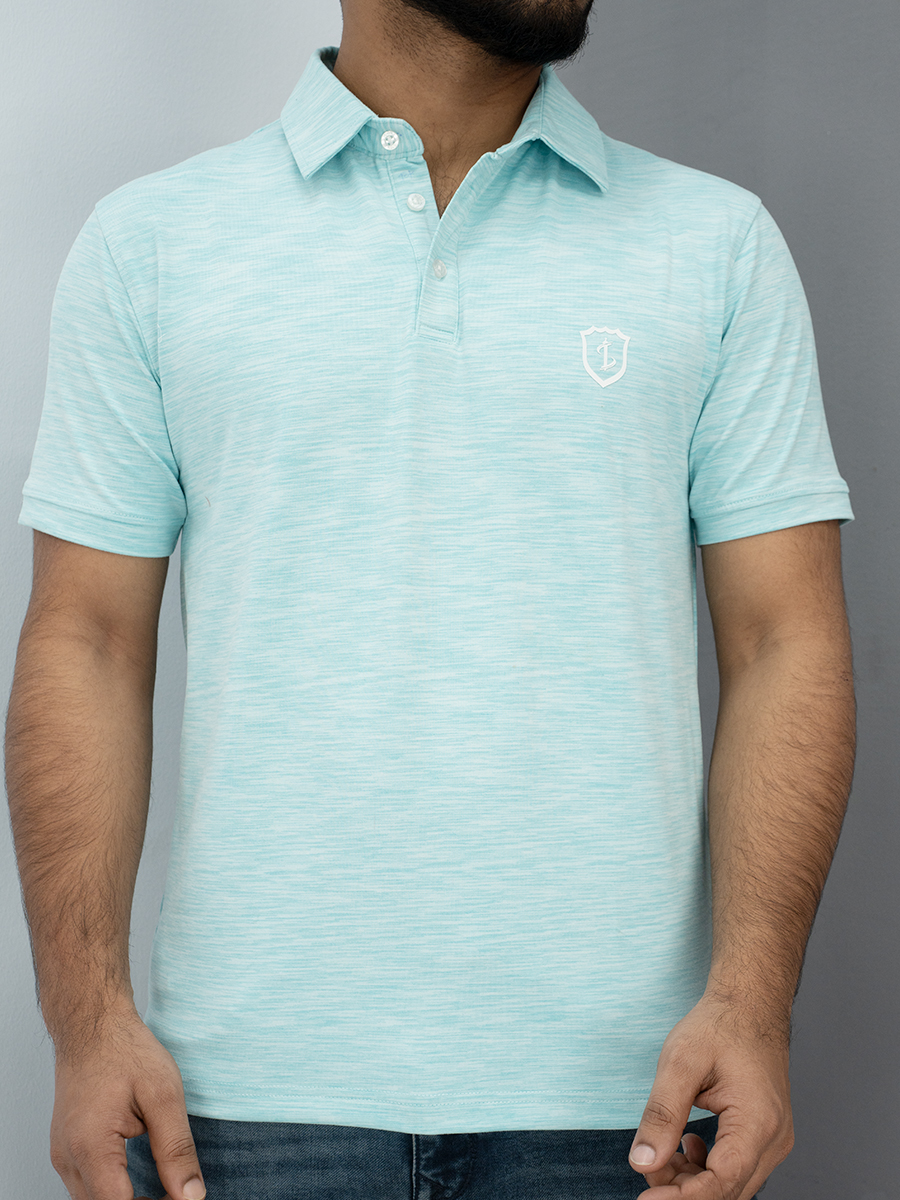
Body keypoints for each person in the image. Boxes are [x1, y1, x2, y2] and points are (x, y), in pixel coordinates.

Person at [5, 0, 856, 1197]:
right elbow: (85, 641)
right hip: (240, 1106)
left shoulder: (715, 245)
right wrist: (86, 1021)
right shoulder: (153, 244)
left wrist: (754, 1005)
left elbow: (785, 641)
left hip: (632, 1109)